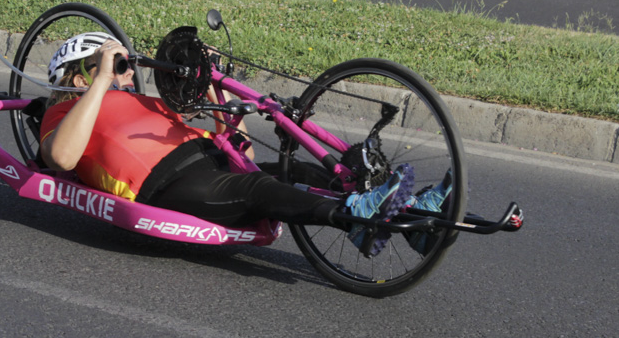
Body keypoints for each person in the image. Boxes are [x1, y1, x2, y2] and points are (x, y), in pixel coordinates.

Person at [38, 32, 452, 257]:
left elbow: (242, 154)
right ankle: (355, 218)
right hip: (167, 184)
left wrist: (212, 81)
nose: (126, 74)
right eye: (117, 66)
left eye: (124, 66)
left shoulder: (142, 101)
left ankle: (413, 218)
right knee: (257, 190)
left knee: (300, 173)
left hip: (211, 163)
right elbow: (61, 158)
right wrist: (101, 82)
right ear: (78, 78)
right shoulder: (65, 114)